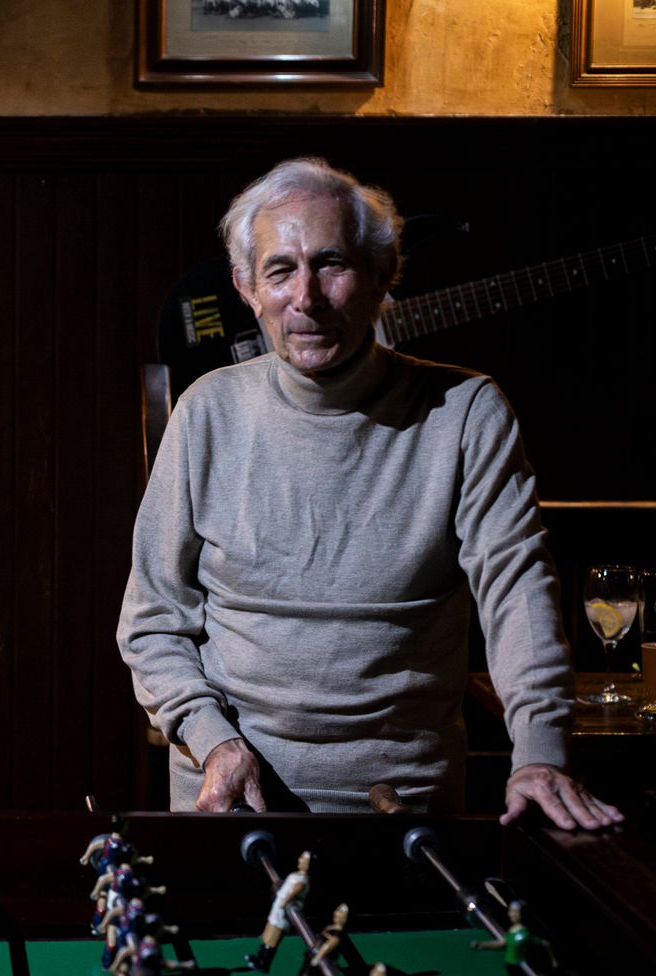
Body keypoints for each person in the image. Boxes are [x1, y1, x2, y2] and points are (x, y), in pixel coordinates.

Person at [117, 157, 620, 830]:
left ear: (383, 276)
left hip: (406, 808)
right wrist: (214, 741)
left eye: (332, 264)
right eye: (280, 270)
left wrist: (540, 753)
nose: (307, 298)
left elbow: (516, 591)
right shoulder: (206, 412)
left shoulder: (466, 411)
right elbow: (152, 621)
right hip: (231, 799)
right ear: (247, 288)